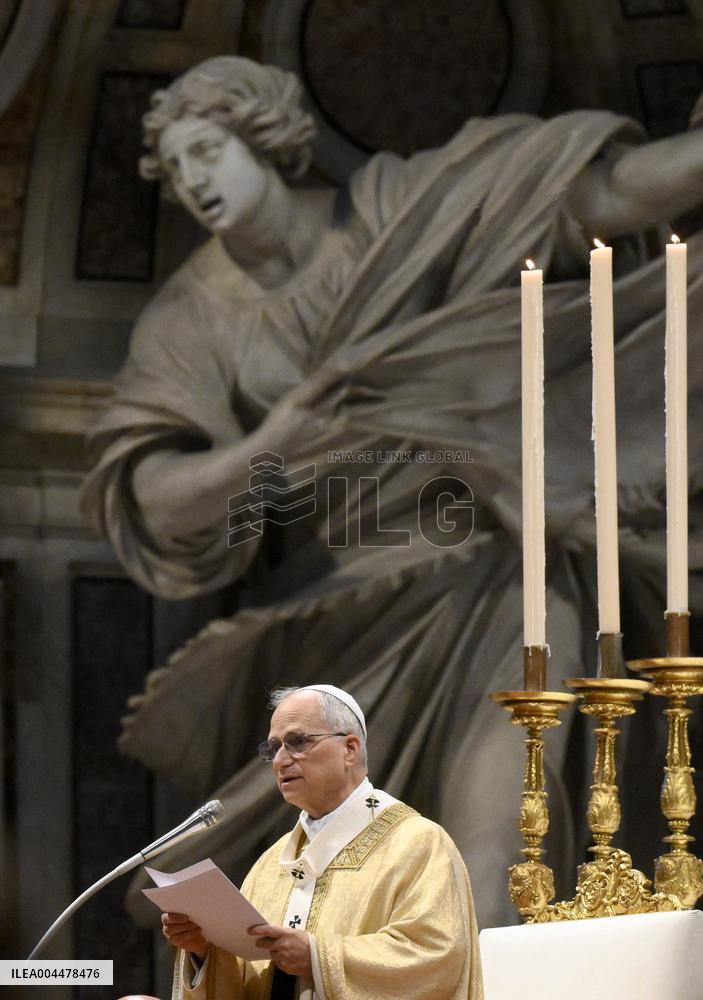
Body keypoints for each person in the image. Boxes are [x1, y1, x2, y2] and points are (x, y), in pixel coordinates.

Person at [83, 56, 703, 927]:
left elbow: (584, 199)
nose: (191, 182)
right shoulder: (191, 320)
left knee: (495, 850)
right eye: (175, 168)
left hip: (500, 574)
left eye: (205, 151)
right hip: (336, 614)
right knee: (327, 898)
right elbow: (151, 497)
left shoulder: (394, 213)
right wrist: (273, 442)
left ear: (265, 140)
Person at [161, 684, 483, 999]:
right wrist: (203, 952)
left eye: (297, 742)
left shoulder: (417, 844)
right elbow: (248, 982)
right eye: (274, 748)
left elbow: (439, 957)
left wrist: (317, 957)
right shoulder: (271, 865)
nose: (280, 761)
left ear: (350, 748)